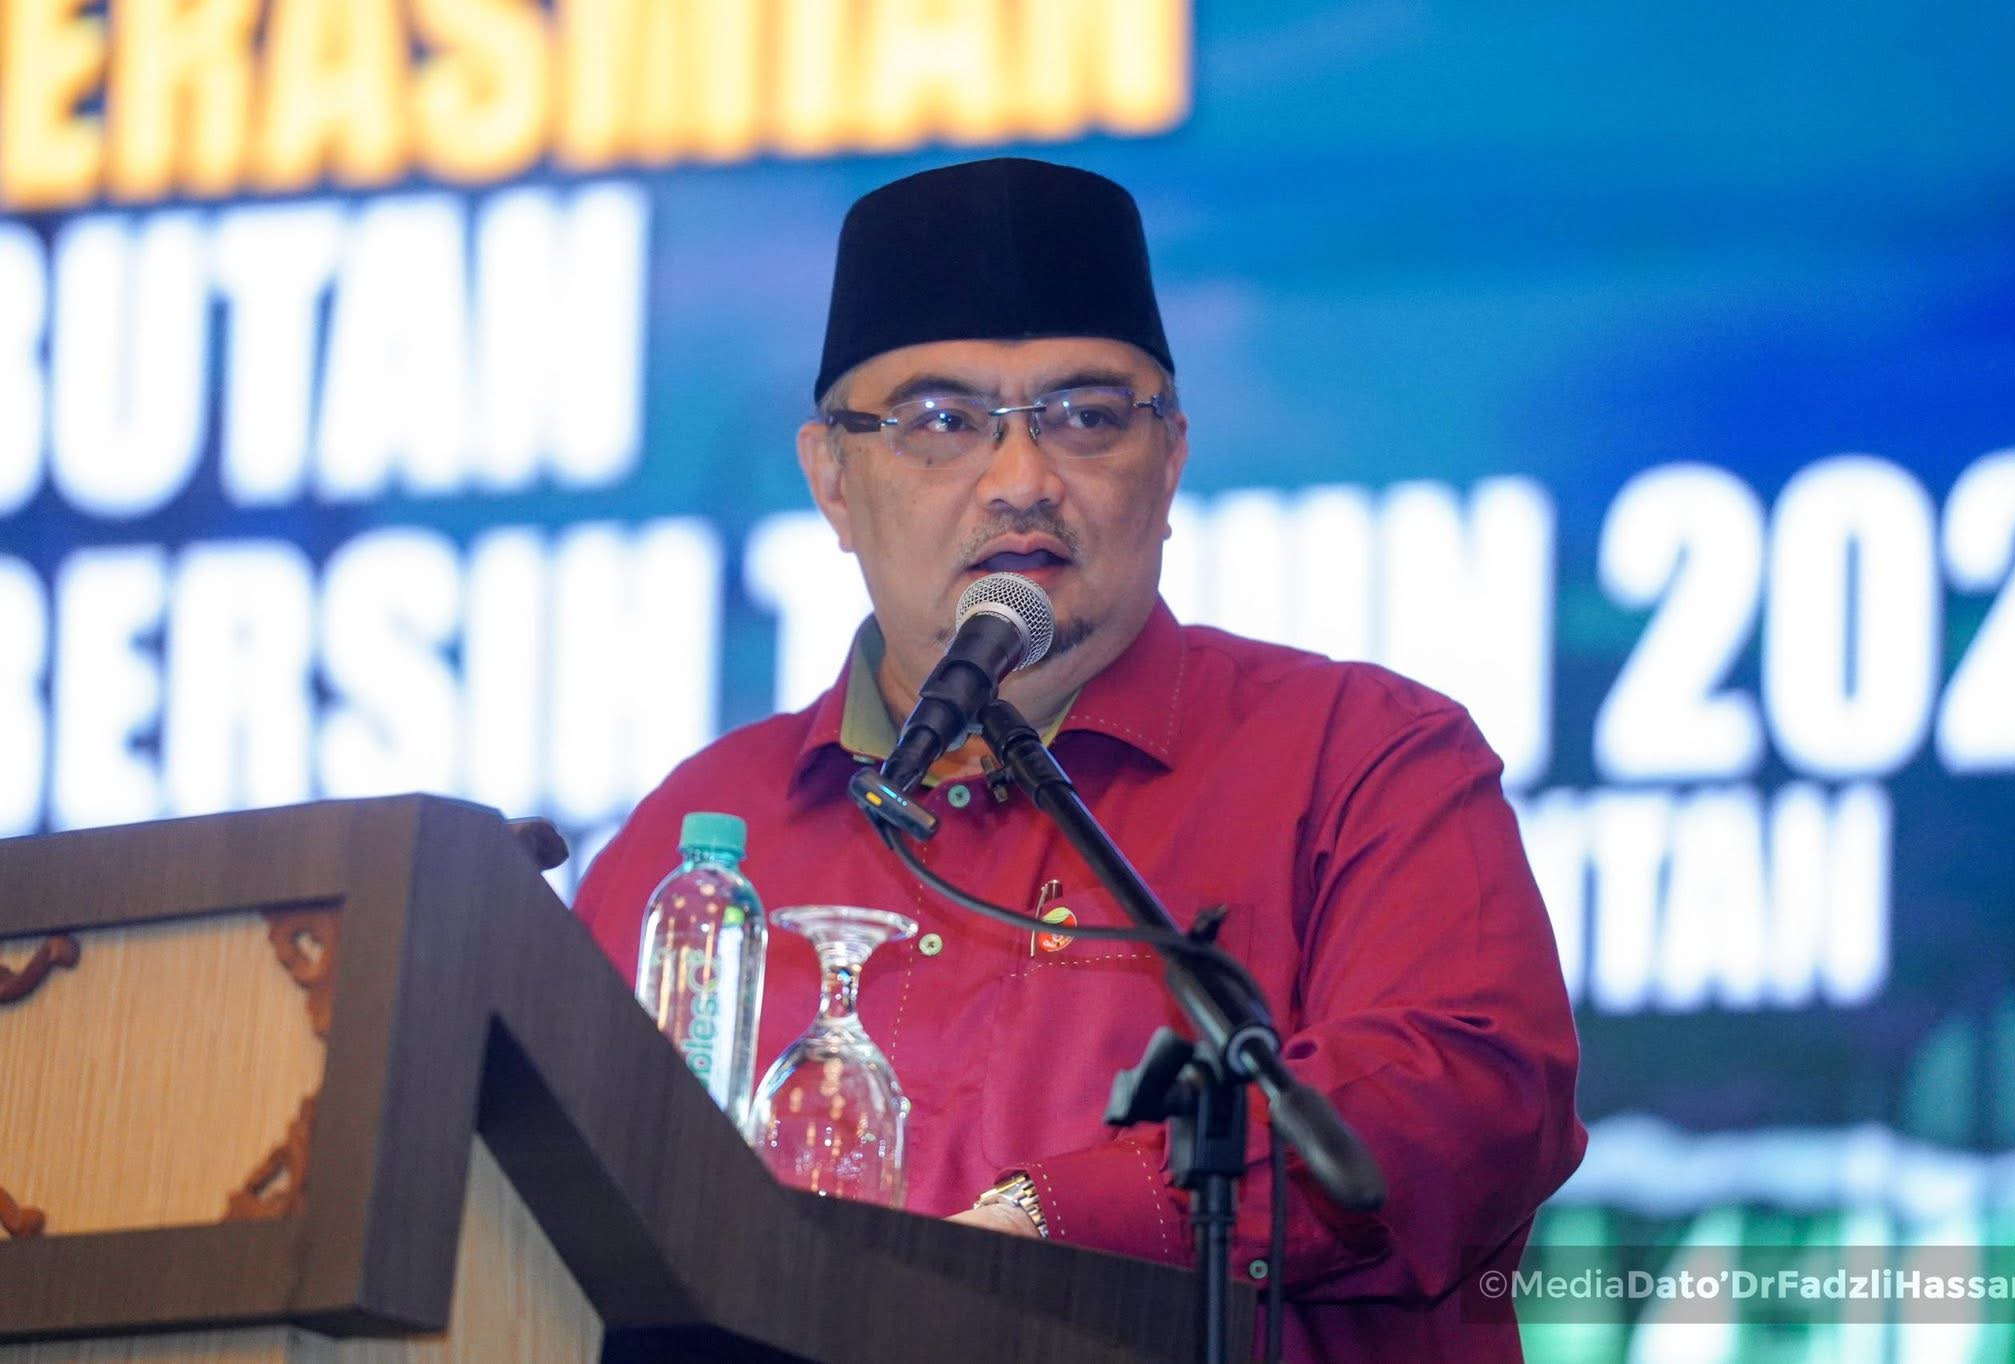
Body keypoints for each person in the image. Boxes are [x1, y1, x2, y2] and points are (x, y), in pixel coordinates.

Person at [574, 157, 1585, 1361]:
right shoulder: (698, 828)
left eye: (1087, 416)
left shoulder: (1361, 758)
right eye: (940, 422)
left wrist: (1052, 1224)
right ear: (834, 481)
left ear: (1168, 460)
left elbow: (1467, 1095)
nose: (1021, 482)